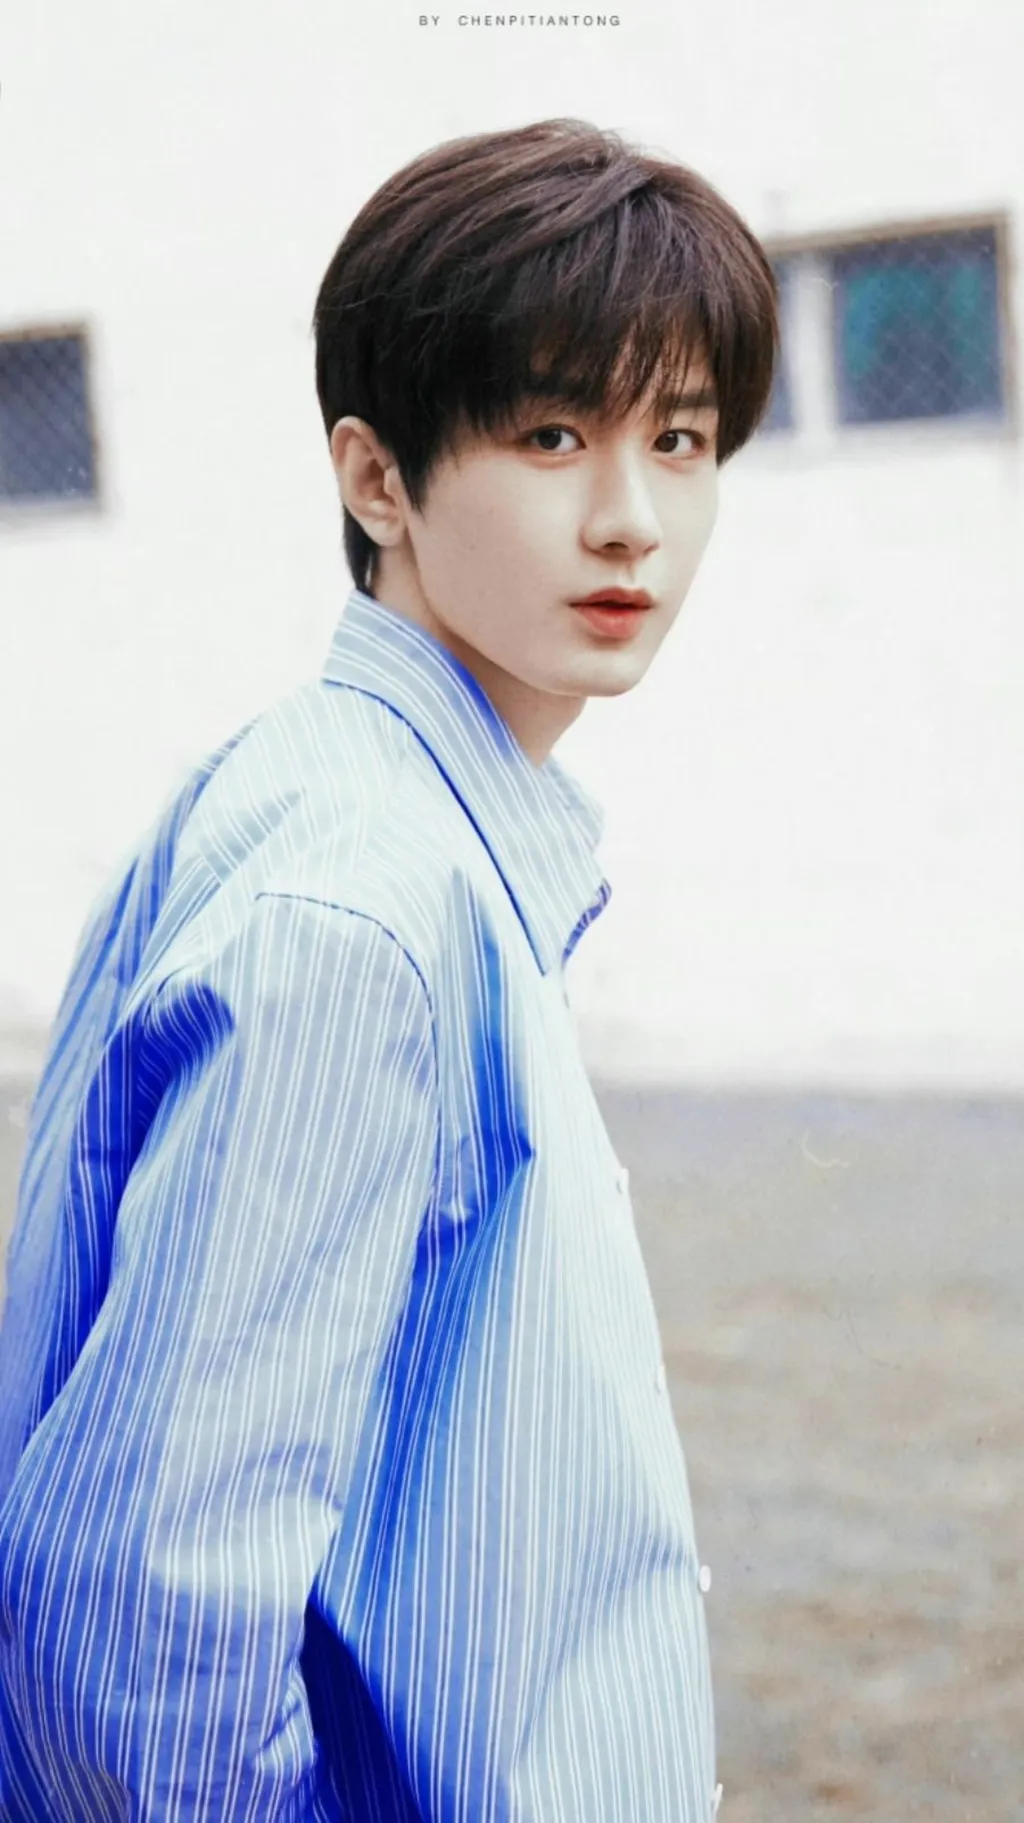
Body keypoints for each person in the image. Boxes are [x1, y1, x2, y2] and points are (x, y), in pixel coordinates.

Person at [0, 118, 777, 1820]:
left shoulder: (337, 802)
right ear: (378, 479)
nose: (631, 519)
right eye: (552, 434)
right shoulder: (361, 903)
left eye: (681, 437)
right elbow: (145, 1627)